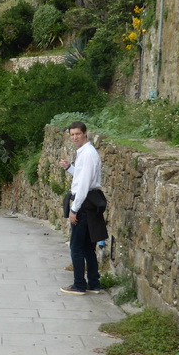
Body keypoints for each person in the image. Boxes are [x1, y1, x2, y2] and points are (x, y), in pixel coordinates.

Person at [58, 121, 107, 295]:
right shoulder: (87, 153)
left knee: (76, 247)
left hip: (84, 203)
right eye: (72, 134)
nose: (75, 137)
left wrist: (74, 209)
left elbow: (84, 184)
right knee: (87, 247)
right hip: (90, 201)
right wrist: (69, 168)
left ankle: (79, 284)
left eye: (77, 134)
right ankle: (94, 283)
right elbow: (83, 176)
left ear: (85, 133)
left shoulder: (87, 154)